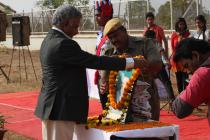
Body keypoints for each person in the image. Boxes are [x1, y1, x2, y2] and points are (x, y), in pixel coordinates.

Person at [34, 5, 145, 140]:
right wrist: (131, 62)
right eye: (75, 26)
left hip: (59, 108)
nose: (77, 31)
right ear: (65, 24)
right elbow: (93, 61)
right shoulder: (63, 44)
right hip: (60, 109)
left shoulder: (49, 40)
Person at [102, 18, 162, 121]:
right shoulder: (109, 53)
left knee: (148, 134)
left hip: (144, 103)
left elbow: (157, 64)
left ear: (124, 31)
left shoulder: (144, 43)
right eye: (110, 38)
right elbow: (103, 79)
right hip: (118, 105)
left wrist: (133, 62)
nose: (114, 40)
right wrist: (103, 84)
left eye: (116, 36)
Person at [172, 38, 210, 125]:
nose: (188, 72)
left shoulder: (203, 73)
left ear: (195, 55)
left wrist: (189, 86)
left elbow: (179, 109)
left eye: (187, 65)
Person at [144, 30, 175, 103]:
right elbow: (161, 51)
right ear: (154, 36)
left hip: (149, 67)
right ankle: (172, 100)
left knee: (147, 84)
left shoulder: (144, 44)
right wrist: (167, 61)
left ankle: (146, 101)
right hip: (158, 66)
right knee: (166, 82)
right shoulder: (155, 42)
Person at [94, 0, 113, 110]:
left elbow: (108, 58)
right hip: (101, 76)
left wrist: (105, 79)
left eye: (98, 15)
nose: (96, 18)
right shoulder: (101, 32)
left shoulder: (112, 32)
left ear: (106, 15)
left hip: (109, 80)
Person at [170, 17, 190, 93]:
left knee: (185, 79)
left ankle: (186, 96)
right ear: (177, 25)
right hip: (177, 61)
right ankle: (181, 96)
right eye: (180, 24)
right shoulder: (174, 35)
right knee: (178, 80)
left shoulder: (188, 34)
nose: (182, 26)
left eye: (183, 24)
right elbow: (172, 48)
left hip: (186, 60)